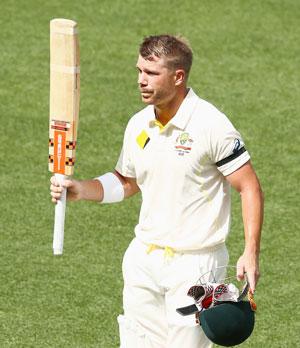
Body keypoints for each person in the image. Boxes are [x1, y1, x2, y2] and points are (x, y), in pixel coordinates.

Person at [50, 35, 264, 348]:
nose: (141, 80)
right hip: (143, 259)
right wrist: (81, 189)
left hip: (196, 266)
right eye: (139, 71)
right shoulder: (138, 125)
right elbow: (127, 180)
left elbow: (249, 187)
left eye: (151, 73)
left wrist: (251, 250)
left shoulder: (211, 125)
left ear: (178, 77)